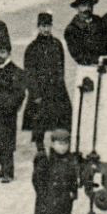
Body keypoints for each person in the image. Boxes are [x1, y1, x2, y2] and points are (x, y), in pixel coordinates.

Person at [30, 128, 81, 214]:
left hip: (63, 199)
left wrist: (73, 192)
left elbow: (72, 178)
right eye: (59, 143)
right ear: (52, 144)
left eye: (65, 143)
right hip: (47, 199)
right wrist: (42, 195)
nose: (63, 146)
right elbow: (37, 179)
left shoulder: (70, 159)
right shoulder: (44, 158)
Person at [22, 12, 72, 154]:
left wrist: (60, 86)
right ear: (38, 27)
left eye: (48, 26)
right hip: (40, 90)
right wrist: (35, 94)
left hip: (56, 88)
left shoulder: (57, 44)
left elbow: (61, 66)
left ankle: (58, 144)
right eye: (43, 26)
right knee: (40, 120)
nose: (46, 29)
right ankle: (40, 146)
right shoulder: (32, 48)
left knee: (60, 117)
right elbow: (29, 73)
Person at [0, 41, 27, 182]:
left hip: (6, 114)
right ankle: (3, 169)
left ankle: (9, 172)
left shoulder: (16, 71)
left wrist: (8, 108)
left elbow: (19, 94)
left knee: (6, 143)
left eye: (2, 52)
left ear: (9, 53)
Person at [64, 0, 106, 65]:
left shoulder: (100, 21)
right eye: (83, 5)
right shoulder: (71, 29)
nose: (87, 8)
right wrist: (96, 59)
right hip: (87, 68)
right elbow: (78, 56)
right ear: (77, 8)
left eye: (89, 5)